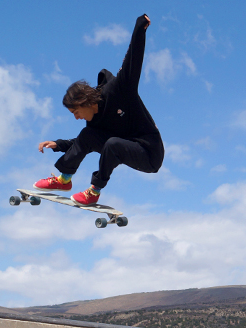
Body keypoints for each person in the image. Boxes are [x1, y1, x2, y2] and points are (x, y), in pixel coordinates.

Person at [36, 14, 164, 205]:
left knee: (112, 144)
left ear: (85, 101)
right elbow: (81, 142)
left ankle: (94, 191)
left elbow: (132, 61)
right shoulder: (94, 121)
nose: (77, 117)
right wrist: (59, 144)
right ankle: (64, 180)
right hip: (123, 145)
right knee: (88, 134)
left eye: (75, 112)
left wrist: (140, 28)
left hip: (149, 153)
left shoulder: (118, 90)